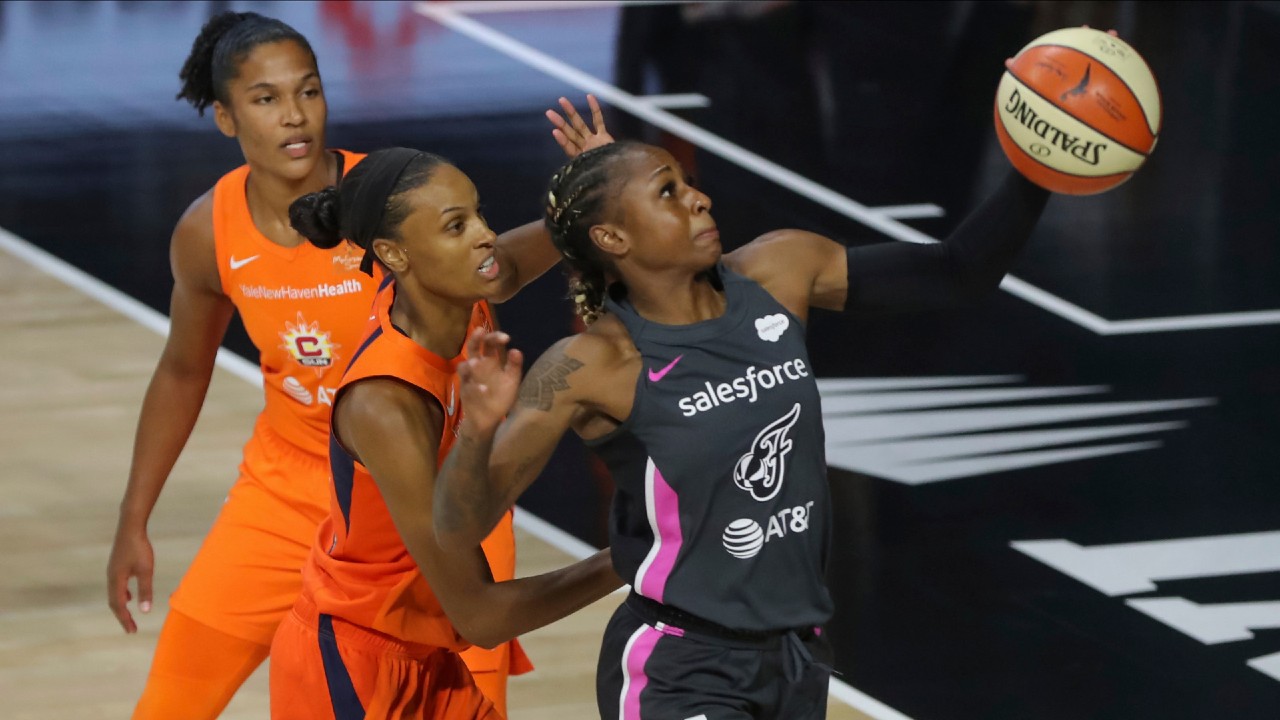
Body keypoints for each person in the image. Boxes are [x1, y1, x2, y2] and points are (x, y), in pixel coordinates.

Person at [432, 125, 1051, 715]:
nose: (698, 199)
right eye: (667, 192)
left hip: (796, 656)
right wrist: (478, 429)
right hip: (682, 666)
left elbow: (955, 272)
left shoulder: (780, 270)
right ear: (614, 239)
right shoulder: (590, 366)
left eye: (687, 182)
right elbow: (461, 524)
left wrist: (1037, 167)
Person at [104, 11, 608, 717]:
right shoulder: (207, 230)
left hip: (444, 490)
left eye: (308, 91)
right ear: (225, 117)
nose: (294, 116)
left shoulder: (395, 199)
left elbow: (499, 264)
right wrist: (135, 516)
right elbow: (184, 372)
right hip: (289, 491)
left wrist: (587, 197)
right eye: (266, 98)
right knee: (170, 702)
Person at [270, 147, 622, 719]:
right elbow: (482, 617)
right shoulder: (385, 404)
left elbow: (518, 262)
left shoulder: (454, 293)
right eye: (457, 226)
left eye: (478, 214)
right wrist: (632, 558)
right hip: (354, 672)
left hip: (428, 654)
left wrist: (601, 185)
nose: (486, 235)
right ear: (392, 254)